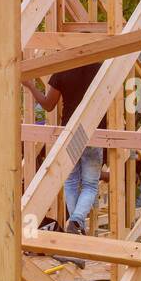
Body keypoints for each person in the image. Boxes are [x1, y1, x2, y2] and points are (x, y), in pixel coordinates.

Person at [24, 62, 103, 235]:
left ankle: (75, 226)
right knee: (90, 184)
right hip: (94, 131)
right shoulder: (101, 68)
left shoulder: (64, 68)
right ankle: (76, 221)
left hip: (70, 131)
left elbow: (48, 104)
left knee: (71, 181)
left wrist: (30, 85)